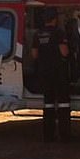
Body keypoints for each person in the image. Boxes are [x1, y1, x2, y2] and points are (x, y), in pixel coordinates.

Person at [31, 8, 71, 142]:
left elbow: (34, 54)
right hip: (58, 72)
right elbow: (64, 52)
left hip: (44, 72)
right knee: (63, 104)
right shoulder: (59, 33)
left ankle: (48, 135)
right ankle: (64, 135)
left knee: (48, 104)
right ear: (55, 19)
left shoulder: (38, 34)